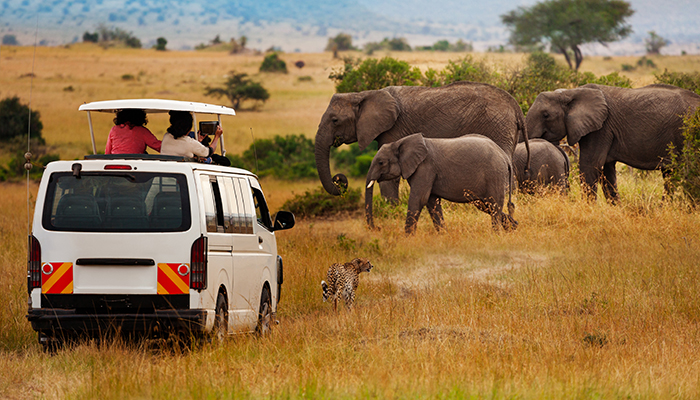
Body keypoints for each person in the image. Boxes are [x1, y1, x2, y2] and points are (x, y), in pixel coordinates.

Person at [160, 111, 230, 166]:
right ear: (189, 128)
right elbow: (209, 152)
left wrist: (197, 142)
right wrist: (217, 136)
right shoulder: (190, 143)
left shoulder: (166, 136)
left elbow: (179, 150)